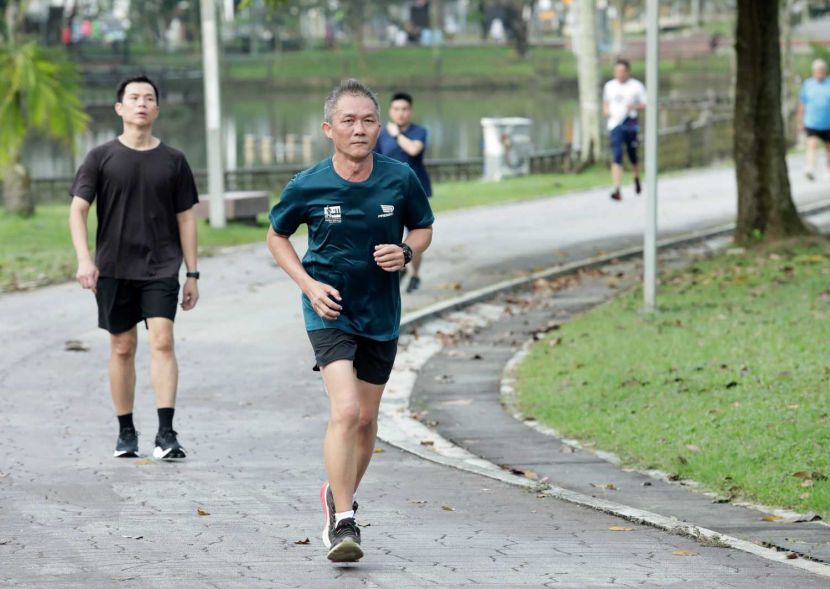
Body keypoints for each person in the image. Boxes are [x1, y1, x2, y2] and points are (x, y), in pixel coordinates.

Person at [266, 79, 434, 562]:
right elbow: (277, 237)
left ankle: (337, 496)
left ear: (379, 127)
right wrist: (308, 286)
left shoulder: (399, 178)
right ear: (328, 128)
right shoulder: (308, 184)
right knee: (346, 411)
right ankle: (344, 519)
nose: (359, 129)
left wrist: (405, 251)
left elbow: (422, 227)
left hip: (381, 312)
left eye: (367, 120)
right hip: (329, 309)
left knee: (367, 420)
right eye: (348, 121)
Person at [68, 75, 200, 461]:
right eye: (133, 98)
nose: (141, 103)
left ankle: (166, 432)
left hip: (161, 266)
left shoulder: (174, 160)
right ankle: (126, 432)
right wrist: (84, 259)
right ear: (120, 108)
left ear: (157, 109)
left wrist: (192, 273)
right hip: (113, 266)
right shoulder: (100, 157)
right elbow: (78, 210)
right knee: (122, 346)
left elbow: (187, 219)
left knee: (162, 340)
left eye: (149, 98)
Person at [374, 92, 432, 292]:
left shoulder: (419, 131)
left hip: (416, 191)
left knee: (416, 233)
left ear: (410, 111)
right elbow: (375, 162)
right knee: (390, 232)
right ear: (390, 111)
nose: (401, 114)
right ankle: (398, 268)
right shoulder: (381, 135)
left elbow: (414, 150)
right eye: (397, 109)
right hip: (389, 193)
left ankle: (415, 274)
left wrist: (397, 134)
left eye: (405, 109)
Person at [602, 59, 646, 201]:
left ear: (627, 71)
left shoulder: (636, 86)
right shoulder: (609, 86)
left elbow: (645, 104)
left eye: (622, 71)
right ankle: (617, 188)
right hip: (615, 124)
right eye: (617, 72)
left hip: (630, 122)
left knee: (632, 154)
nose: (619, 74)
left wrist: (633, 107)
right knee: (617, 154)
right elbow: (606, 102)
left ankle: (636, 178)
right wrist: (607, 111)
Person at [798, 58, 830, 181]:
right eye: (817, 71)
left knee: (828, 147)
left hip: (828, 122)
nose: (819, 73)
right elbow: (802, 103)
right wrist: (800, 120)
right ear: (813, 71)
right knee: (812, 144)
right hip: (812, 121)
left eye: (821, 70)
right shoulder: (808, 84)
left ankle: (828, 169)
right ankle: (810, 168)